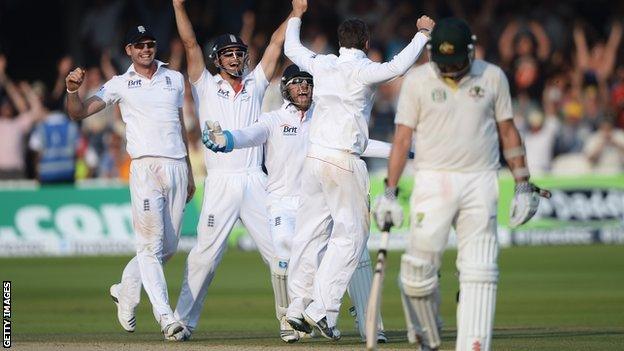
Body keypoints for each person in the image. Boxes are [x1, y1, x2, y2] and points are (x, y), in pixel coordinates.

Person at [373, 18, 549, 351]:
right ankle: (429, 335)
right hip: (431, 180)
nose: (451, 69)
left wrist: (522, 183)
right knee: (416, 273)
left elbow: (509, 132)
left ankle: (473, 346)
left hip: (480, 180)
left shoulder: (492, 76)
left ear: (471, 50)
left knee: (480, 271)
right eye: (444, 62)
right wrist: (390, 193)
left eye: (457, 62)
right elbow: (401, 140)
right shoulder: (417, 81)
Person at [202, 64, 398, 343]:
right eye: (296, 82)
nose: (303, 87)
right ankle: (290, 318)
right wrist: (228, 139)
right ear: (285, 89)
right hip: (283, 202)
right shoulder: (273, 119)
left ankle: (367, 324)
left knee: (357, 254)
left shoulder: (325, 118)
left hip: (321, 202)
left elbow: (360, 144)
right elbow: (249, 134)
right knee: (285, 249)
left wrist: (404, 150)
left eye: (308, 82)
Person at [281, 0, 435, 340]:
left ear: (340, 42)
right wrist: (422, 35)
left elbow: (291, 46)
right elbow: (398, 67)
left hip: (314, 161)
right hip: (343, 162)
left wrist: (297, 14)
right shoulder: (364, 70)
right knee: (350, 237)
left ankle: (296, 308)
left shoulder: (322, 65)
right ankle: (320, 310)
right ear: (365, 43)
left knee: (308, 236)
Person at [171, 0, 295, 341]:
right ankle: (182, 322)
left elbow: (275, 45)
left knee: (280, 254)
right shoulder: (205, 85)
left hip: (256, 179)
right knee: (204, 259)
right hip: (221, 182)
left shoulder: (256, 84)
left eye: (239, 53)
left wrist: (296, 13)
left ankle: (289, 321)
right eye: (228, 54)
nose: (236, 58)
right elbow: (190, 44)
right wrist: (179, 7)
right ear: (217, 59)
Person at [65, 25, 195, 340]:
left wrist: (190, 171)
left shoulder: (174, 78)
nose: (146, 49)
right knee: (150, 247)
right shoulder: (120, 84)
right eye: (139, 46)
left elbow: (179, 126)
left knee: (168, 248)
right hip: (145, 168)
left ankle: (125, 289)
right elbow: (79, 113)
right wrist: (72, 90)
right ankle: (166, 318)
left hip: (177, 165)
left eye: (150, 44)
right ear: (129, 51)